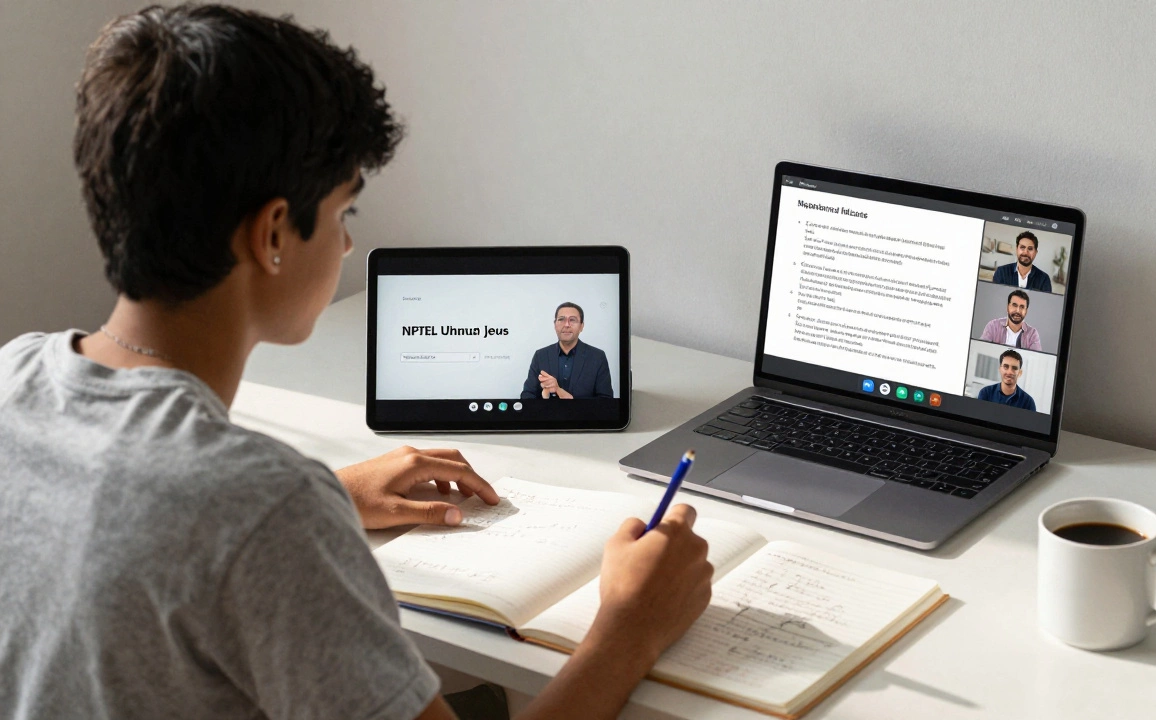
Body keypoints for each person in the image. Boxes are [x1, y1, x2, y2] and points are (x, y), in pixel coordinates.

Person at [0, 6, 712, 720]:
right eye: (346, 212)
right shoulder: (265, 510)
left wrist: (329, 497)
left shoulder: (14, 378)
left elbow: (140, 524)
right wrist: (630, 628)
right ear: (273, 233)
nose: (345, 247)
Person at [520, 301, 614, 399]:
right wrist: (544, 397)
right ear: (555, 325)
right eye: (561, 319)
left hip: (584, 414)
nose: (567, 324)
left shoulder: (597, 357)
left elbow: (606, 400)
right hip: (548, 414)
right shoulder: (541, 355)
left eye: (572, 320)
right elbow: (527, 395)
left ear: (581, 326)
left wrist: (559, 391)